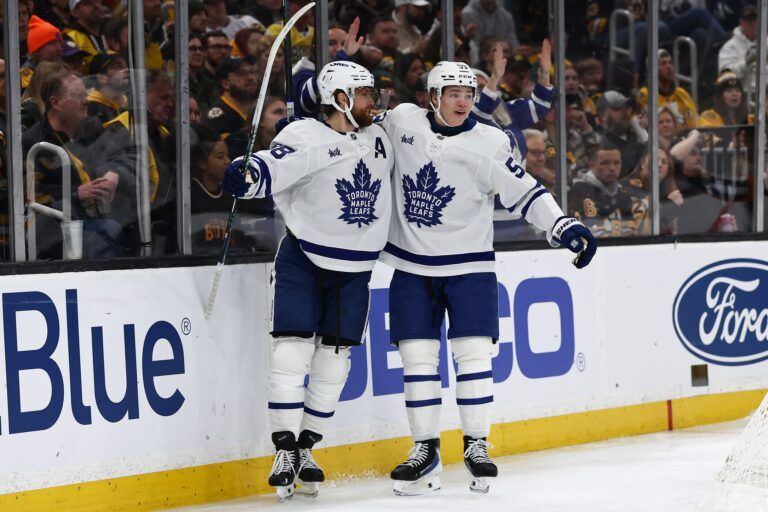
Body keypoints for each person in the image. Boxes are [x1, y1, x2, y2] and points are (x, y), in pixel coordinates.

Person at [374, 61, 596, 496]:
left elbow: (525, 191)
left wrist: (562, 225)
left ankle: (476, 444)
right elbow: (353, 127)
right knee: (418, 362)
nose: (462, 101)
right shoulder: (400, 121)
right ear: (432, 96)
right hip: (411, 268)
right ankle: (425, 449)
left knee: (473, 359)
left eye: (468, 94)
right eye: (452, 93)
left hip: (469, 270)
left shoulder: (491, 142)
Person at [221, 61, 394, 501]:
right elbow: (270, 166)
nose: (374, 102)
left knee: (334, 361)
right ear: (340, 100)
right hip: (305, 259)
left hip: (355, 269)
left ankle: (306, 447)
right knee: (291, 353)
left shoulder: (380, 135)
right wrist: (248, 173)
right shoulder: (303, 136)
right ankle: (283, 448)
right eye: (364, 93)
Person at [569, 142, 637, 238]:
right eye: (605, 163)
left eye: (616, 163)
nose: (612, 168)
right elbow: (591, 232)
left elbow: (631, 230)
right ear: (591, 166)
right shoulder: (579, 191)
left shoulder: (624, 193)